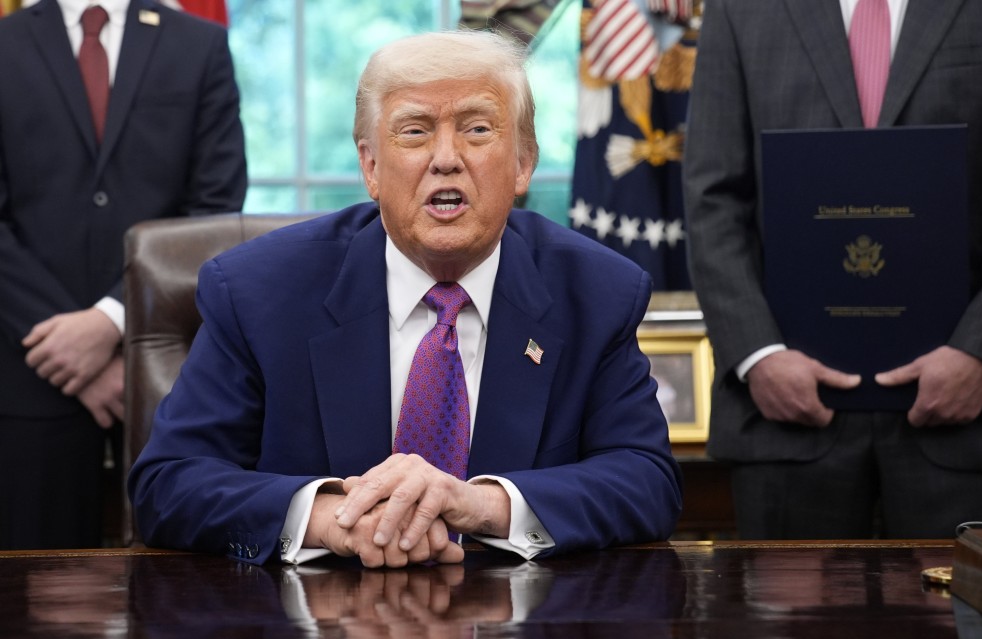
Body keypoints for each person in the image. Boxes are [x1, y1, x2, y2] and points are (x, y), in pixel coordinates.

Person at [128, 29, 683, 568]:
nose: (446, 158)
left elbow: (645, 480)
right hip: (314, 637)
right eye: (415, 132)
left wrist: (477, 504)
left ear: (523, 163)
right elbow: (168, 482)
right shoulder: (255, 291)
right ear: (370, 167)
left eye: (477, 129)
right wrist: (335, 520)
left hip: (520, 635)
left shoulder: (597, 291)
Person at [682, 0, 982, 539]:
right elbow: (713, 197)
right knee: (780, 629)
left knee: (964, 625)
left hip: (968, 418)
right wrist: (759, 355)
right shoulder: (740, 8)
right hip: (784, 419)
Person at [0, 0, 247, 549]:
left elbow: (214, 206)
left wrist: (112, 321)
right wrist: (67, 345)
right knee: (34, 597)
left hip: (164, 366)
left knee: (176, 587)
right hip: (25, 368)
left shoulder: (197, 43)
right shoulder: (6, 43)